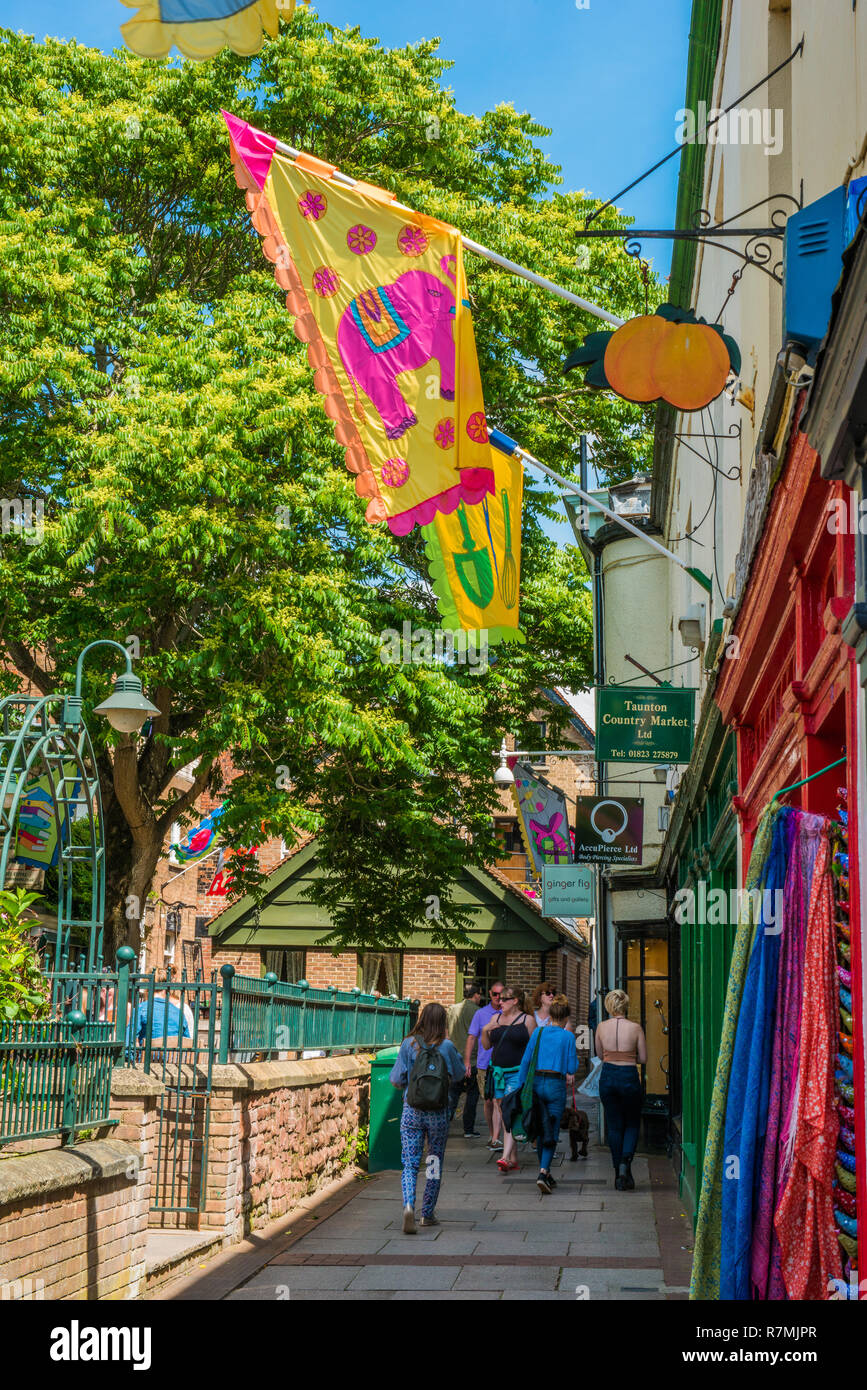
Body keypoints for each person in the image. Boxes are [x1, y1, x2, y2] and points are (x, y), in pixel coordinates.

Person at [390, 1002, 464, 1233]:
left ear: (421, 1019)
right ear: (443, 1023)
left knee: (410, 1163)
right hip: (438, 1114)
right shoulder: (448, 1047)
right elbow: (459, 1075)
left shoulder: (408, 1044)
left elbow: (396, 1079)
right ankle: (427, 1213)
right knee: (433, 1161)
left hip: (411, 1111)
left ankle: (409, 1205)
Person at [515, 993, 578, 1194]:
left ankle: (546, 1171)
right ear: (566, 1017)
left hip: (535, 1084)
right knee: (551, 1129)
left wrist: (520, 1087)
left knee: (539, 1129)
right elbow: (571, 1067)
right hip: (555, 1085)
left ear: (550, 1014)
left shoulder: (538, 1033)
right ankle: (543, 1172)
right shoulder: (568, 1036)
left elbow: (525, 1061)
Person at [595, 989, 646, 1191]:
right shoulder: (635, 1028)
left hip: (608, 1076)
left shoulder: (601, 1027)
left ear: (609, 1006)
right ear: (626, 1005)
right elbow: (643, 1058)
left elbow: (600, 1055)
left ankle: (618, 1173)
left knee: (614, 1126)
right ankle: (626, 1161)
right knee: (632, 1124)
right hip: (629, 1076)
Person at [481, 987, 535, 1173]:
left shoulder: (527, 1020)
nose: (499, 1001)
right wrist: (485, 1030)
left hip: (517, 1072)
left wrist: (530, 1075)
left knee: (508, 1111)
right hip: (498, 1073)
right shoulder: (494, 1019)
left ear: (516, 1001)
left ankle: (504, 1157)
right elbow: (487, 1046)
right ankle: (513, 1158)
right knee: (503, 1112)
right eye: (498, 998)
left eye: (504, 999)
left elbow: (533, 1051)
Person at [466, 980, 505, 1150]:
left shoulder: (509, 1013)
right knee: (488, 1102)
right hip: (484, 1064)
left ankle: (498, 1136)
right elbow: (471, 1037)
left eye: (500, 994)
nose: (497, 997)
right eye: (494, 994)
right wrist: (467, 1062)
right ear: (489, 994)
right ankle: (492, 1133)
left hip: (503, 1064)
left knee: (499, 1101)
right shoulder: (480, 1014)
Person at [447, 981, 482, 1136]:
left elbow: (447, 1032)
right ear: (476, 995)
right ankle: (468, 1129)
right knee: (472, 1095)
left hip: (454, 1059)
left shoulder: (451, 1009)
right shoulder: (478, 1012)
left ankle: (444, 1126)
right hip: (473, 1060)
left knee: (452, 1094)